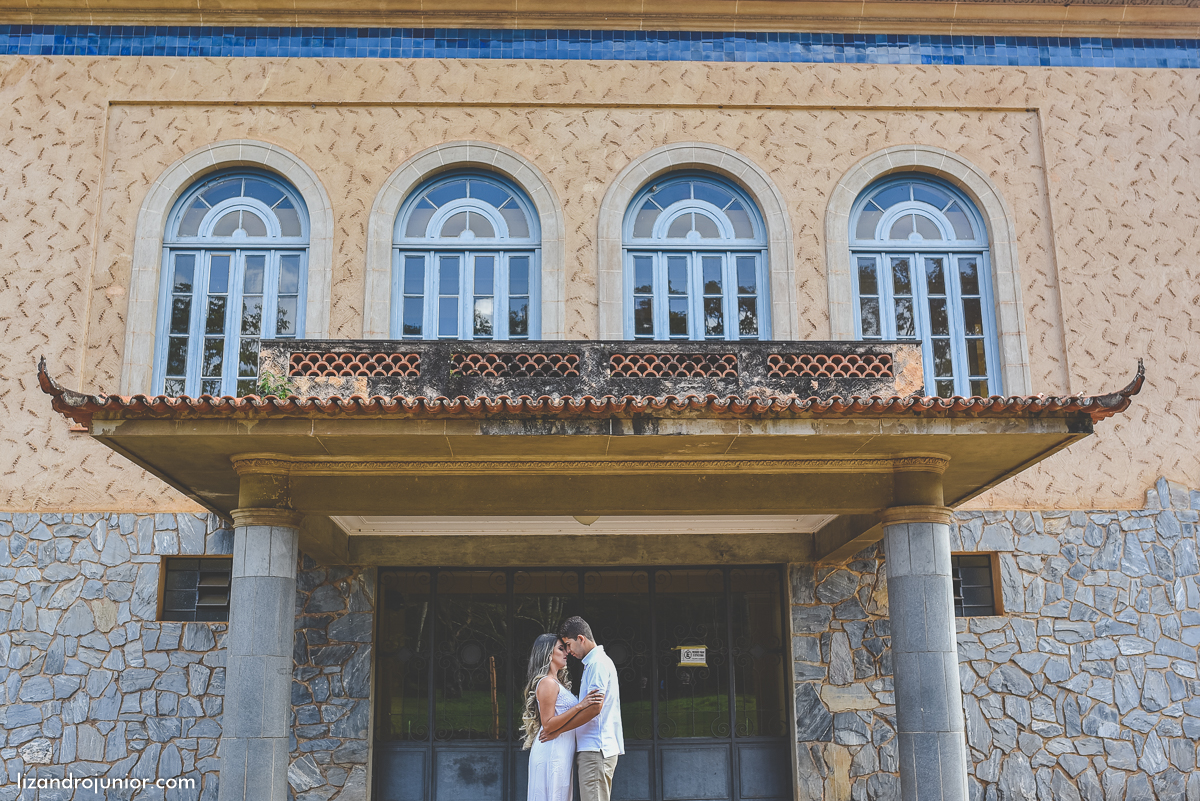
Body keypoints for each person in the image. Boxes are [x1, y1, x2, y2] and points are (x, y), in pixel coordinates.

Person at [546, 616, 624, 801]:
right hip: (593, 750)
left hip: (596, 749)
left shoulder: (597, 664)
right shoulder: (594, 663)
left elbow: (595, 708)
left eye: (568, 644)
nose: (568, 651)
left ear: (581, 638)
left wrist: (559, 730)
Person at [522, 633, 604, 801]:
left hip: (560, 751)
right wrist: (580, 706)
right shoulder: (547, 683)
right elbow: (549, 725)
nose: (566, 652)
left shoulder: (556, 682)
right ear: (548, 653)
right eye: (560, 649)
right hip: (551, 750)